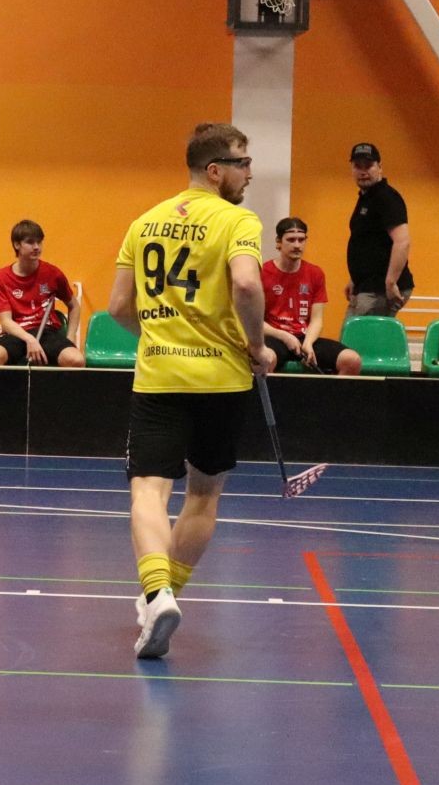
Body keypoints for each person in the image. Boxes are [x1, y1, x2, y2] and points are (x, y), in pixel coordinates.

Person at [107, 122, 274, 661]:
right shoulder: (238, 220)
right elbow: (246, 283)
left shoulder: (143, 223)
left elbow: (118, 307)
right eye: (243, 164)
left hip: (160, 376)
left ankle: (156, 595)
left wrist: (158, 335)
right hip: (223, 380)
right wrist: (256, 346)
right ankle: (163, 597)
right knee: (203, 495)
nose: (250, 174)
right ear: (216, 170)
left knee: (148, 491)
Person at [265, 218, 362, 376]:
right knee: (265, 359)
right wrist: (285, 336)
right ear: (278, 242)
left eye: (301, 240)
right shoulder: (262, 272)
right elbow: (254, 322)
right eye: (291, 240)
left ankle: (333, 394)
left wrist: (308, 343)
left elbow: (317, 319)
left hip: (304, 338)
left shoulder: (315, 273)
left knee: (352, 360)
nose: (297, 245)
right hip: (275, 338)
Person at [0, 219, 85, 368]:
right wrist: (29, 339)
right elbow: (6, 321)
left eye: (39, 242)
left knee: (76, 360)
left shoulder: (53, 273)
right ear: (17, 245)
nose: (37, 247)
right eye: (30, 242)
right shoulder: (1, 277)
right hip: (16, 334)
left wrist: (70, 338)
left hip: (47, 333)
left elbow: (74, 306)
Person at [344, 142, 414, 320]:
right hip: (368, 286)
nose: (363, 172)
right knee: (352, 333)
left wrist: (390, 282)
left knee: (356, 335)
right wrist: (355, 279)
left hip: (379, 290)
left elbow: (402, 242)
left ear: (379, 167)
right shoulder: (367, 197)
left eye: (368, 166)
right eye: (357, 166)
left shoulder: (386, 198)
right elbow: (367, 242)